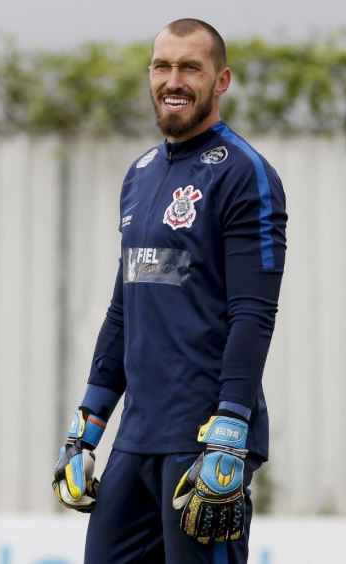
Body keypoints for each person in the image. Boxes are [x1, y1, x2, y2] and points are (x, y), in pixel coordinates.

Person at [52, 18, 287, 564]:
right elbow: (123, 310)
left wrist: (231, 426)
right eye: (162, 66)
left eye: (190, 67)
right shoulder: (139, 173)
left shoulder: (245, 172)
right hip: (136, 439)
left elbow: (253, 315)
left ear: (221, 80)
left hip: (205, 440)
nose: (173, 80)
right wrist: (87, 426)